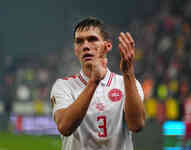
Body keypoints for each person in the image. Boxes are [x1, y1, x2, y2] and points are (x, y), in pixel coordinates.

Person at [50, 16, 146, 150]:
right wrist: (93, 82)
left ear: (107, 46)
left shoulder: (128, 84)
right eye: (79, 42)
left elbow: (137, 125)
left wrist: (128, 73)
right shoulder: (63, 86)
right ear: (75, 50)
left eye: (92, 39)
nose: (85, 46)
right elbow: (65, 127)